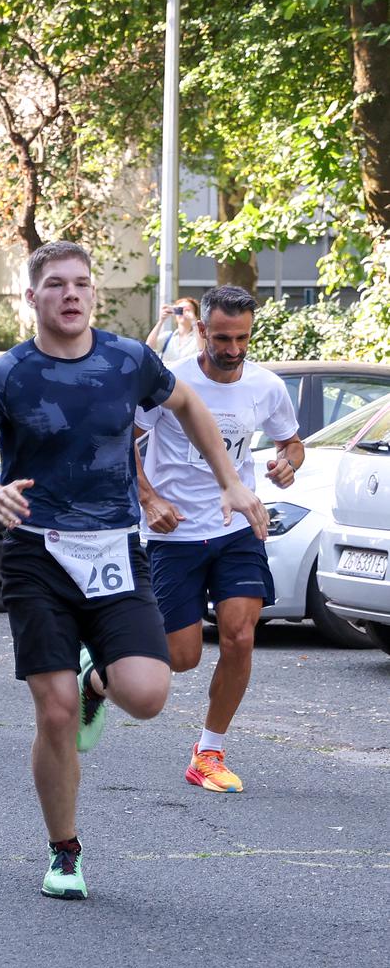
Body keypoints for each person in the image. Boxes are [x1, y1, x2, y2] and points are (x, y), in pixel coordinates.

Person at [0, 241, 267, 901]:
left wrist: (230, 482)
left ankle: (99, 680)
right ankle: (64, 851)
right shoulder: (7, 374)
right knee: (54, 712)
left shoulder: (129, 360)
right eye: (56, 284)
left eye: (81, 284)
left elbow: (189, 408)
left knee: (146, 695)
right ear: (31, 297)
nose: (70, 294)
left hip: (117, 550)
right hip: (36, 553)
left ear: (94, 294)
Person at [135, 284, 304, 794]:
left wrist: (285, 465)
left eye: (243, 338)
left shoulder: (266, 386)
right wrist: (148, 499)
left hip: (237, 527)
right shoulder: (170, 382)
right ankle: (105, 659)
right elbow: (125, 442)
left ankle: (208, 751)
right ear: (203, 330)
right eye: (223, 338)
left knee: (240, 636)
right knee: (182, 655)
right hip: (176, 533)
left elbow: (291, 443)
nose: (233, 349)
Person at [145, 296, 201, 361]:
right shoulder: (167, 337)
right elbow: (149, 347)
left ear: (195, 315)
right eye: (180, 310)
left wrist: (194, 321)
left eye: (187, 310)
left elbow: (202, 349)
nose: (183, 313)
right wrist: (161, 321)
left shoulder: (198, 337)